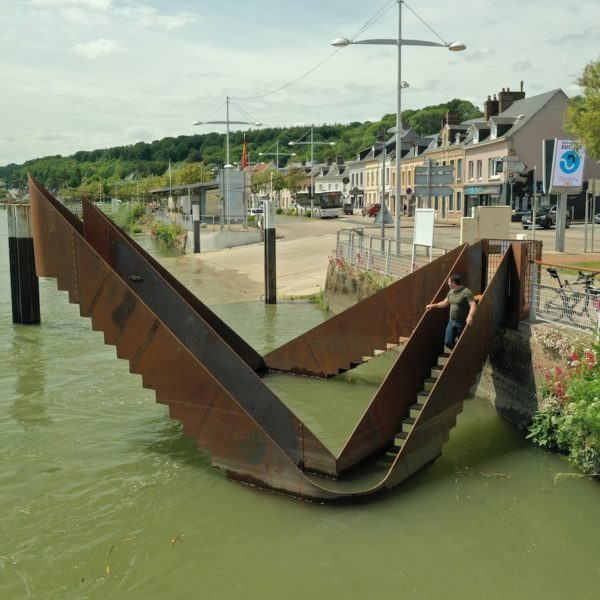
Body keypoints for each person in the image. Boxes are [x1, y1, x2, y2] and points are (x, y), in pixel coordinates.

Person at [425, 274, 477, 350]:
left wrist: (470, 316)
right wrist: (433, 305)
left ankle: (460, 355)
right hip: (451, 322)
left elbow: (473, 305)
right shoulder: (451, 292)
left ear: (454, 282)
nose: (448, 283)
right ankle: (457, 352)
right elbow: (445, 303)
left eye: (449, 281)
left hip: (462, 323)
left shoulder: (466, 292)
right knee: (448, 342)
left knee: (463, 343)